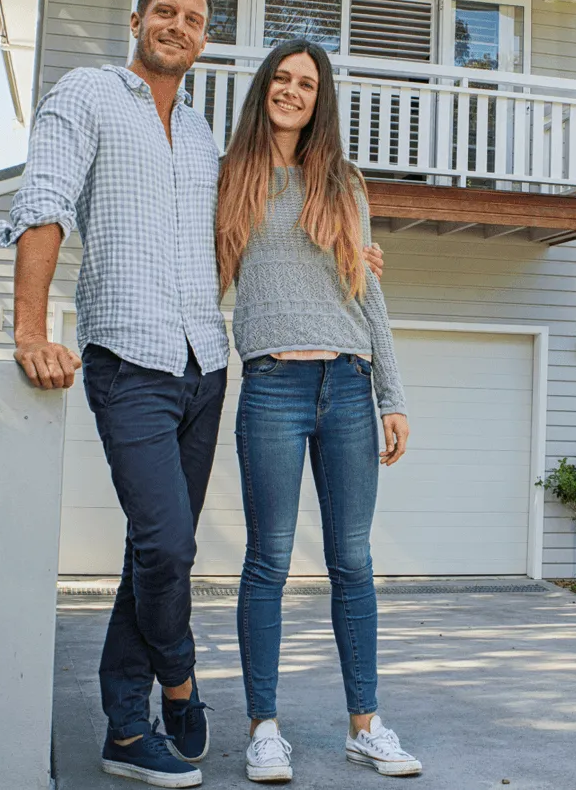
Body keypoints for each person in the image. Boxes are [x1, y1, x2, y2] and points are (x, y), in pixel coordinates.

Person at [0, 0, 384, 788]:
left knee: (153, 547)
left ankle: (126, 729)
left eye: (193, 18)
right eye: (163, 12)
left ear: (205, 41)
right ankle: (177, 681)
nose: (176, 25)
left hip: (205, 366)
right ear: (137, 18)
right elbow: (45, 200)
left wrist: (351, 257)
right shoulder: (89, 94)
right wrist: (30, 330)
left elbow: (262, 241)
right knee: (170, 543)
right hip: (128, 359)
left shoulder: (208, 140)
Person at [216, 38, 422, 783]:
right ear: (264, 88)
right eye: (282, 78)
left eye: (306, 83)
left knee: (353, 562)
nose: (292, 91)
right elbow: (207, 279)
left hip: (349, 386)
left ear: (319, 97)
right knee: (268, 560)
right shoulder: (232, 177)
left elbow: (369, 292)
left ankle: (365, 725)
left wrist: (392, 396)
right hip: (272, 385)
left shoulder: (342, 181)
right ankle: (263, 728)